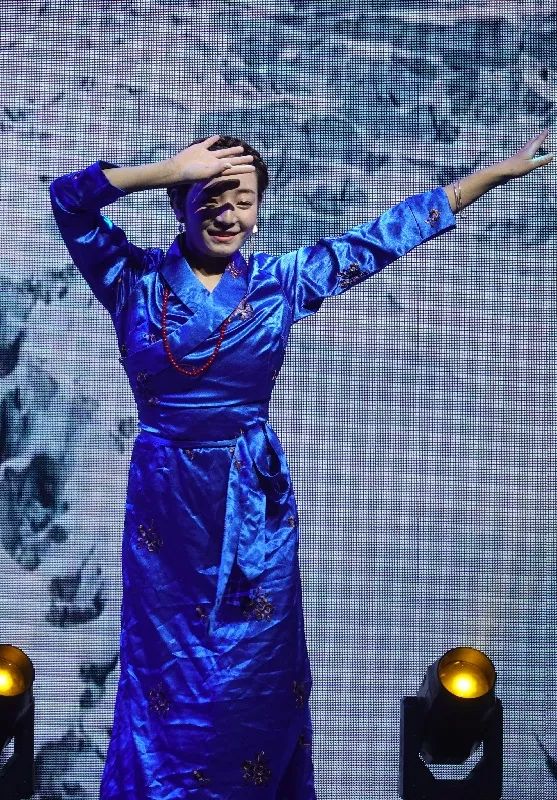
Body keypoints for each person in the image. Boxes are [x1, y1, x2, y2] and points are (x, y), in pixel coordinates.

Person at [49, 131, 552, 799]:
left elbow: (378, 239)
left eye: (243, 201)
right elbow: (68, 200)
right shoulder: (131, 281)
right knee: (165, 671)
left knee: (254, 671)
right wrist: (171, 168)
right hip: (167, 504)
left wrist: (493, 175)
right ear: (179, 202)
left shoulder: (276, 284)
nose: (228, 214)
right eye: (211, 196)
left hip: (251, 500)